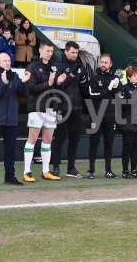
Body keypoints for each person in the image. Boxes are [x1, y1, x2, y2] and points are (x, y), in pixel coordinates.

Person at [0, 53, 31, 187]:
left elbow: (24, 94)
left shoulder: (15, 77)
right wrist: (4, 84)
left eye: (9, 60)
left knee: (10, 151)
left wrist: (24, 82)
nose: (7, 63)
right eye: (4, 60)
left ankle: (9, 177)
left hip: (11, 121)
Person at [23, 41, 64, 183]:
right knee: (32, 140)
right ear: (40, 51)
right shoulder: (32, 66)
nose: (49, 53)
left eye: (51, 51)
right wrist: (49, 83)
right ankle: (26, 172)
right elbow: (31, 88)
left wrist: (59, 81)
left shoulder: (54, 67)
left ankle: (45, 171)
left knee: (47, 140)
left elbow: (56, 87)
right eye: (47, 50)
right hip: (36, 107)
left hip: (50, 108)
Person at [51, 41, 91, 178]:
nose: (75, 55)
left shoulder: (81, 67)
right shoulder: (57, 66)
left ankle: (71, 168)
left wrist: (84, 81)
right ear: (66, 51)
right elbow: (56, 86)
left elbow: (85, 90)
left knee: (75, 138)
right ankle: (55, 167)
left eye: (76, 52)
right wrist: (72, 76)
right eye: (73, 52)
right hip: (62, 107)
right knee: (59, 138)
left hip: (77, 108)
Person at [87, 53, 122, 179]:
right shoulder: (94, 78)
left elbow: (119, 96)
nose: (103, 64)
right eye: (102, 62)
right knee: (93, 142)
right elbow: (94, 96)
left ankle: (108, 170)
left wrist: (118, 86)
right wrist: (108, 88)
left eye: (106, 62)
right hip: (96, 114)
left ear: (111, 64)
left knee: (109, 143)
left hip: (111, 115)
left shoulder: (115, 78)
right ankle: (91, 171)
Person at [120, 66, 137, 179]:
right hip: (128, 121)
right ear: (129, 77)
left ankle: (134, 169)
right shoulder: (125, 88)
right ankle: (125, 170)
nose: (136, 77)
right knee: (127, 147)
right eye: (134, 76)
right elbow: (122, 104)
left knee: (136, 147)